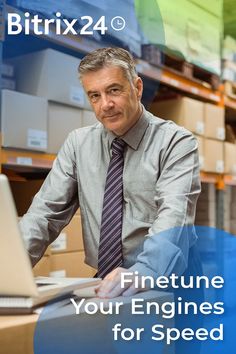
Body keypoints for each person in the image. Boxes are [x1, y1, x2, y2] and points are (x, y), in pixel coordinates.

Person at [19, 47, 201, 299]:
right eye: (94, 95)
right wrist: (11, 267)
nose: (105, 104)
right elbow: (44, 214)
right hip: (109, 281)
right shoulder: (78, 144)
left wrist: (144, 271)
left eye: (114, 90)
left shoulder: (176, 142)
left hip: (169, 280)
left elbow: (174, 216)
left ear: (137, 88)